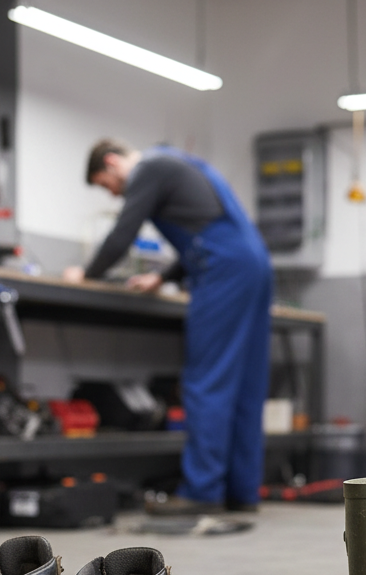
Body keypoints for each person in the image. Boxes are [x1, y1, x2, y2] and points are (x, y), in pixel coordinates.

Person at [63, 140, 272, 515]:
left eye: (106, 184)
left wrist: (86, 273)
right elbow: (206, 227)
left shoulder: (148, 170)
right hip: (252, 262)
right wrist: (163, 277)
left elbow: (122, 233)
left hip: (222, 270)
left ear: (112, 163)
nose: (113, 193)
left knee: (206, 381)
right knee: (244, 386)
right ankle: (242, 492)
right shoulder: (179, 162)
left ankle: (202, 492)